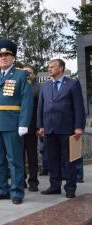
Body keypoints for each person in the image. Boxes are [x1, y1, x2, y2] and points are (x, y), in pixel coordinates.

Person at [0, 39, 33, 204]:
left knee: (14, 160)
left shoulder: (21, 75)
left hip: (12, 123)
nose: (3, 58)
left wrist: (24, 123)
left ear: (13, 58)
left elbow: (27, 101)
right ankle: (1, 189)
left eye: (7, 55)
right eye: (0, 56)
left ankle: (17, 192)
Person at [38, 59, 85, 198]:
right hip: (49, 129)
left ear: (61, 68)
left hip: (67, 129)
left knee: (69, 160)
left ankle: (70, 188)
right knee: (52, 159)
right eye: (48, 67)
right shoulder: (44, 86)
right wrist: (40, 126)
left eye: (52, 67)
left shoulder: (73, 84)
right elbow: (40, 107)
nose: (50, 69)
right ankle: (54, 186)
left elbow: (78, 107)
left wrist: (78, 127)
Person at [22, 66, 40, 192]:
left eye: (29, 72)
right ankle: (21, 180)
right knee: (18, 156)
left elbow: (40, 109)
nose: (27, 73)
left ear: (34, 74)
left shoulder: (38, 87)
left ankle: (33, 182)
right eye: (24, 72)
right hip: (17, 128)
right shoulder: (17, 85)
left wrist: (40, 126)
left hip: (32, 127)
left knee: (32, 157)